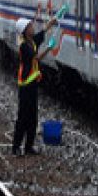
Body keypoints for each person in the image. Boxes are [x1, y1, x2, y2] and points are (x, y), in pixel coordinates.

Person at [13, 15, 58, 157]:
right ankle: (15, 147)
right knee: (23, 117)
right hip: (25, 85)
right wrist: (49, 48)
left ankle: (28, 147)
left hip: (32, 85)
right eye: (30, 26)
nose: (33, 28)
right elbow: (37, 58)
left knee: (33, 117)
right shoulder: (24, 46)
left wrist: (50, 24)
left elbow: (41, 33)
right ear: (25, 31)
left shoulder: (31, 42)